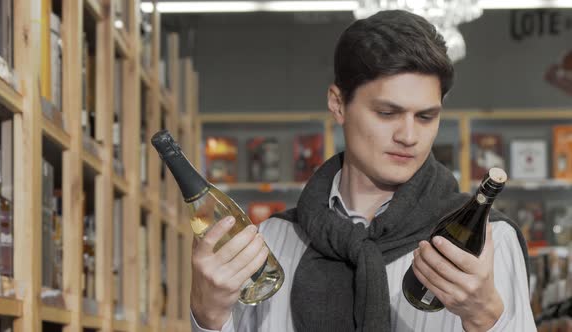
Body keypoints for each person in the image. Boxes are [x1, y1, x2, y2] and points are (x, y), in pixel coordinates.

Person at [190, 9, 536, 332]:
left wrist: (486, 316)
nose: (408, 136)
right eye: (387, 113)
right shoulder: (273, 243)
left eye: (426, 117)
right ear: (338, 104)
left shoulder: (488, 243)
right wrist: (208, 316)